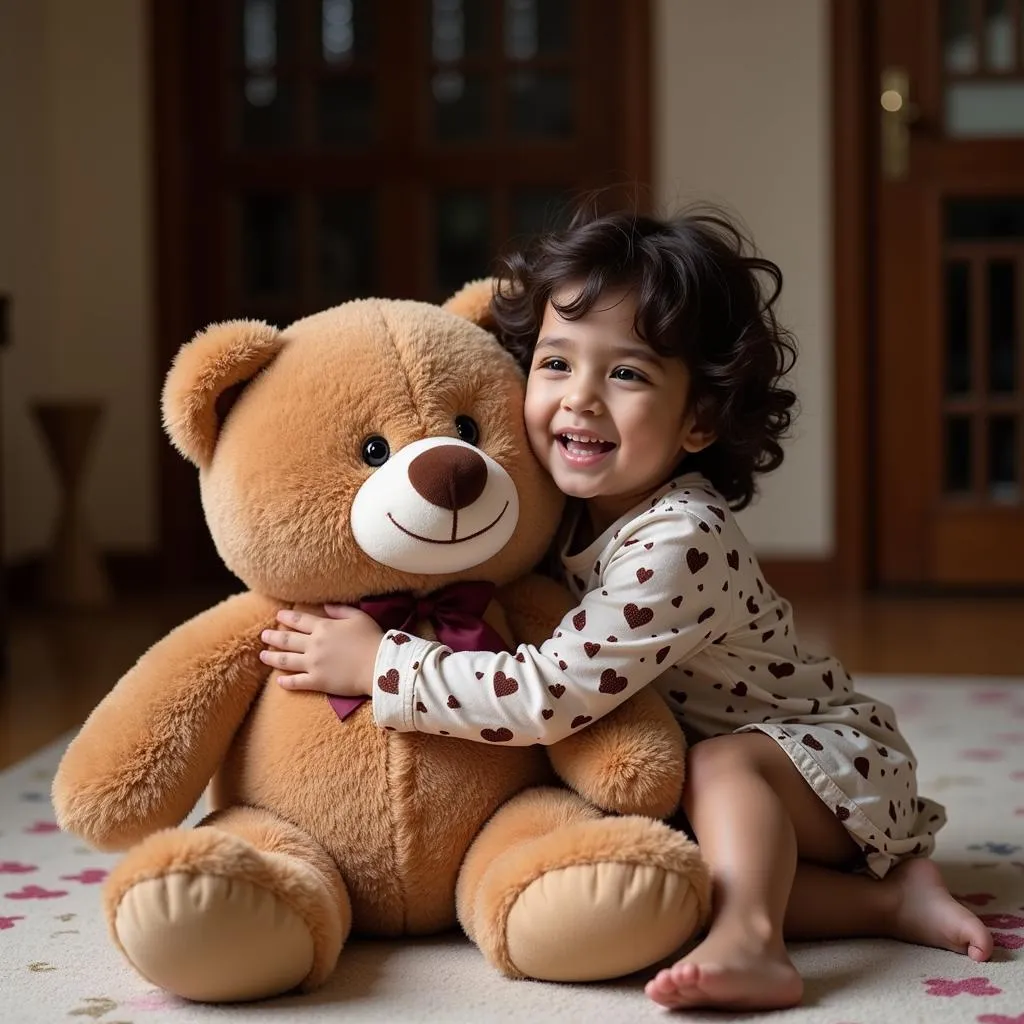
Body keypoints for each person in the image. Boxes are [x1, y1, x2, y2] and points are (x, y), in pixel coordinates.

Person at [259, 208, 992, 1011]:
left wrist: (380, 664)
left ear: (700, 420)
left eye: (627, 374)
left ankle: (755, 941)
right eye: (555, 363)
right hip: (708, 791)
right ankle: (891, 904)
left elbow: (547, 697)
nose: (580, 400)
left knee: (720, 767)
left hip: (830, 768)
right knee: (658, 857)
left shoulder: (682, 538)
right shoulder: (553, 505)